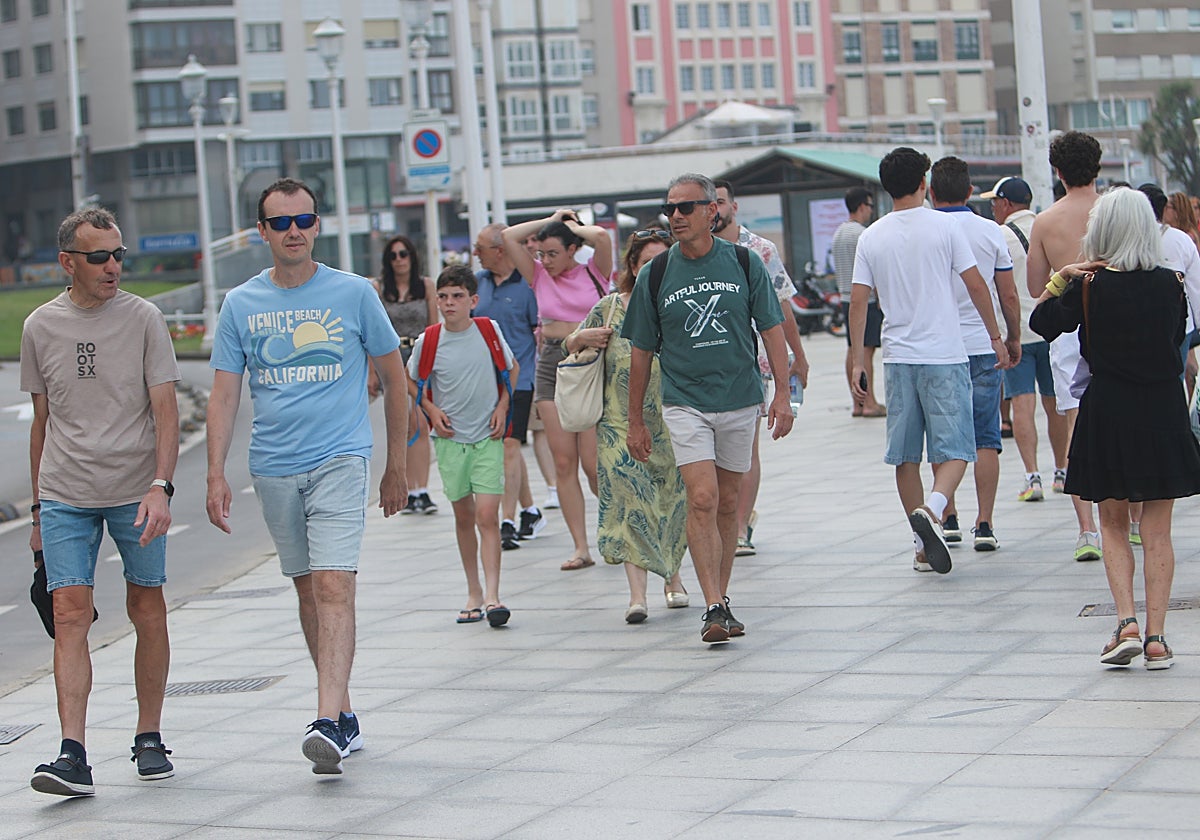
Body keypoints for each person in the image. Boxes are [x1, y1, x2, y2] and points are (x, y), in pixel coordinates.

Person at [206, 177, 409, 775]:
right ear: (262, 232)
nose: (294, 231)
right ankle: (342, 712)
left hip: (341, 458)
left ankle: (323, 720)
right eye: (281, 223)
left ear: (318, 225)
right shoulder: (240, 304)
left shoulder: (352, 294)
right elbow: (222, 395)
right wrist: (214, 473)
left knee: (332, 585)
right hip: (272, 466)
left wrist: (396, 464)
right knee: (305, 588)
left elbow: (395, 380)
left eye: (305, 220)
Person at [22, 208, 180, 797]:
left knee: (147, 607)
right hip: (65, 492)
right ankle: (72, 753)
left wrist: (162, 486)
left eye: (119, 255)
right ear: (69, 263)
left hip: (136, 492)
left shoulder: (144, 319)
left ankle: (149, 735)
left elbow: (166, 411)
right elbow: (42, 422)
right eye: (100, 257)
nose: (113, 266)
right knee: (68, 614)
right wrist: (39, 510)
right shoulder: (39, 326)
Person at [1030, 187, 1200, 670]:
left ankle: (1125, 620)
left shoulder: (1088, 286)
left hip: (1108, 410)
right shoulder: (1173, 284)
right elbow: (1174, 346)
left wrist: (1061, 277)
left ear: (1102, 231)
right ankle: (1157, 638)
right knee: (1158, 529)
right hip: (1162, 411)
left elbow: (1041, 321)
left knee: (1112, 523)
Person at [622, 173, 794, 644]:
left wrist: (783, 393)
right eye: (670, 208)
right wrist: (636, 420)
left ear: (711, 212)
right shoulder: (656, 274)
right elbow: (640, 350)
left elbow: (773, 329)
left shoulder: (743, 262)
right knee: (701, 497)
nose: (675, 216)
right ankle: (713, 607)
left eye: (686, 208)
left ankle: (723, 598)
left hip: (739, 396)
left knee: (729, 503)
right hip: (685, 401)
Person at [849, 147, 1009, 575]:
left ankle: (921, 545)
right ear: (924, 183)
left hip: (898, 358)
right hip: (944, 354)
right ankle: (934, 509)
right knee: (957, 447)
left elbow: (858, 302)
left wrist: (857, 361)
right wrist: (996, 337)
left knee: (905, 456)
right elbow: (977, 286)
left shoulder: (872, 236)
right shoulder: (944, 228)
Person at [565, 228, 689, 623]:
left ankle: (673, 577)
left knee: (671, 503)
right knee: (630, 504)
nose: (654, 268)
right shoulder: (610, 307)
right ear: (632, 267)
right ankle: (638, 596)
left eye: (662, 261)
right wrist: (580, 336)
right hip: (618, 423)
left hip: (672, 420)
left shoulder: (682, 305)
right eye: (646, 261)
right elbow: (571, 344)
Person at [502, 209, 614, 571]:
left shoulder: (594, 271)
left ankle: (616, 529)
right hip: (554, 363)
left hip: (595, 361)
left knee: (594, 465)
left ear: (572, 250)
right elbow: (508, 237)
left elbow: (603, 239)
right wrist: (550, 220)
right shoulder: (537, 276)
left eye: (553, 253)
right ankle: (581, 546)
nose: (545, 261)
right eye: (542, 253)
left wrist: (574, 227)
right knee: (563, 461)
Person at [410, 265, 517, 627]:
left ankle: (492, 595)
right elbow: (414, 382)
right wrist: (430, 409)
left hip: (487, 435)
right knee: (463, 516)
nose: (449, 303)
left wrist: (503, 406)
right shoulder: (429, 340)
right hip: (450, 440)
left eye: (457, 296)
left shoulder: (487, 330)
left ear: (473, 300)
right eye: (443, 296)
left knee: (488, 515)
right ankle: (472, 589)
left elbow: (511, 369)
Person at [712, 180, 810, 557]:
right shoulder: (689, 251)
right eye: (710, 203)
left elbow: (782, 306)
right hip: (706, 363)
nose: (715, 210)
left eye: (720, 202)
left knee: (745, 447)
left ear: (733, 206)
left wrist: (797, 357)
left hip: (754, 363)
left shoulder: (760, 250)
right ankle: (725, 517)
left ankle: (738, 527)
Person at [928, 157, 1021, 551]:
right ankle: (985, 524)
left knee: (943, 438)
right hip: (985, 346)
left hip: (939, 349)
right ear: (969, 191)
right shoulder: (990, 231)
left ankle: (947, 517)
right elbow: (1008, 293)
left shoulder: (926, 230)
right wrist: (1012, 337)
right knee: (986, 439)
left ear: (931, 192)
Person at [1026, 130, 1104, 562]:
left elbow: (1037, 286)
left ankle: (1087, 529)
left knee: (1076, 424)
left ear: (1057, 171)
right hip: (1116, 319)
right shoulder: (1115, 211)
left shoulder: (1046, 221)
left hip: (1068, 330)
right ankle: (1129, 519)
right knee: (1120, 414)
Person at [983, 176, 1070, 504]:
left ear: (1006, 204)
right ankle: (1061, 471)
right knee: (1055, 403)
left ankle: (1032, 475)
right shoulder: (1047, 226)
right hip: (1050, 328)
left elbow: (998, 289)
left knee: (1022, 403)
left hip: (1017, 332)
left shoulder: (999, 235)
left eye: (995, 202)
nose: (993, 208)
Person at [473, 223, 544, 550]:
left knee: (508, 446)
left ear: (500, 250)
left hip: (521, 379)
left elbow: (539, 332)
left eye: (481, 247)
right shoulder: (478, 284)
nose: (475, 253)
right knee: (507, 448)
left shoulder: (528, 286)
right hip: (484, 381)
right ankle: (530, 510)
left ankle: (508, 520)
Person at [370, 234, 439, 515]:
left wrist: (434, 365)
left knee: (421, 422)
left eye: (404, 254)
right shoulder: (378, 289)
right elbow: (370, 332)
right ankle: (409, 487)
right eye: (394, 255)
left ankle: (421, 488)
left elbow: (434, 327)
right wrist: (371, 372)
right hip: (391, 360)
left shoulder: (426, 286)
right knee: (404, 424)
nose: (399, 260)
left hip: (419, 358)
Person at [831, 186, 885, 417]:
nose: (870, 211)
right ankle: (870, 401)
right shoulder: (861, 234)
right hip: (866, 300)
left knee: (853, 350)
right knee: (865, 353)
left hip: (845, 297)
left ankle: (857, 402)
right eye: (870, 206)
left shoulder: (840, 233)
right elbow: (872, 272)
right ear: (862, 206)